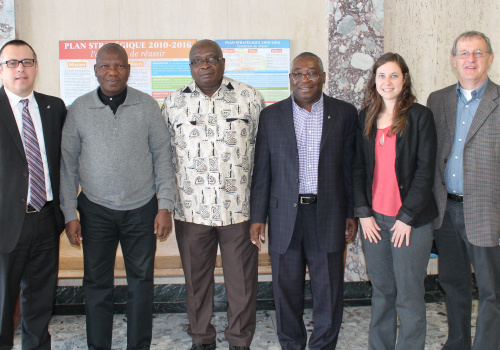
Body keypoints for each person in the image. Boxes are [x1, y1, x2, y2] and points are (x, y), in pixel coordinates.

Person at [60, 43, 175, 350]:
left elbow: (163, 156)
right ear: (96, 70)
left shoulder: (147, 106)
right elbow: (68, 165)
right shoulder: (79, 109)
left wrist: (165, 204)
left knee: (141, 284)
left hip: (142, 210)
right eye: (106, 66)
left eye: (119, 66)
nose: (113, 72)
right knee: (97, 285)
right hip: (95, 210)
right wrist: (70, 213)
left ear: (128, 68)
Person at [250, 52, 358, 350]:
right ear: (290, 79)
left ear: (322, 76)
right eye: (298, 73)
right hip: (285, 217)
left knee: (329, 291)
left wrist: (351, 212)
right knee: (286, 293)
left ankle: (323, 346)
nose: (305, 79)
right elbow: (263, 171)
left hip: (329, 216)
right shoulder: (271, 117)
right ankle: (291, 345)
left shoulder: (345, 114)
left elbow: (351, 168)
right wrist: (257, 217)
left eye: (311, 73)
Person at [162, 39, 265, 350]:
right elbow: (163, 155)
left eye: (210, 59)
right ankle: (202, 340)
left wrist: (261, 210)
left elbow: (264, 155)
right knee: (196, 284)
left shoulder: (250, 98)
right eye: (197, 60)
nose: (204, 65)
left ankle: (239, 341)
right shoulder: (172, 103)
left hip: (239, 212)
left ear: (223, 62)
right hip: (191, 212)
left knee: (242, 285)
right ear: (190, 66)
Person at [352, 52, 438, 349]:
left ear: (404, 79)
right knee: (382, 291)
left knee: (409, 294)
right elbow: (357, 168)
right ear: (374, 80)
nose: (387, 82)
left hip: (410, 224)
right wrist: (363, 213)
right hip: (375, 221)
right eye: (381, 75)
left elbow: (425, 172)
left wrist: (406, 217)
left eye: (394, 75)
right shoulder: (365, 117)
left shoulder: (420, 117)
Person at [428, 30, 500, 350]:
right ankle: (457, 342)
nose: (471, 59)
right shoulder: (437, 99)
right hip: (446, 210)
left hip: (487, 211)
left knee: (491, 289)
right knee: (453, 283)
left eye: (478, 53)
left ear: (490, 58)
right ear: (453, 60)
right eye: (464, 54)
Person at [0, 39, 66, 349]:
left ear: (36, 67)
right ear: (2, 70)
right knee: (2, 303)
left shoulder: (54, 108)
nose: (20, 69)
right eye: (12, 63)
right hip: (5, 224)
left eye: (26, 62)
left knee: (40, 300)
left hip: (46, 219)